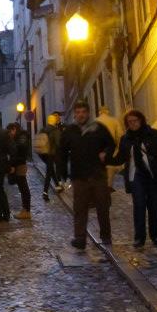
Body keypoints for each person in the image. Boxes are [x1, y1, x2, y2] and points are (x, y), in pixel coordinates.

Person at [57, 99, 115, 249]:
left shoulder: (98, 128)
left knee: (103, 206)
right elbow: (62, 152)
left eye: (83, 112)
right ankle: (80, 238)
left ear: (88, 113)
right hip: (79, 176)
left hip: (98, 174)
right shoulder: (69, 131)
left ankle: (106, 236)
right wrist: (62, 173)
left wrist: (105, 153)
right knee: (80, 208)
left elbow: (111, 143)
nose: (80, 115)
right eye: (77, 112)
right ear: (75, 115)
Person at [112, 109, 157, 248]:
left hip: (152, 176)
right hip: (136, 176)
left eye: (135, 121)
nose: (132, 124)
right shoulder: (125, 139)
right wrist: (107, 158)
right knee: (139, 206)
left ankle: (155, 235)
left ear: (141, 120)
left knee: (154, 206)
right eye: (129, 122)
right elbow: (121, 158)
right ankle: (139, 238)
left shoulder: (153, 134)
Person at [34, 112, 62, 201]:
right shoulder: (55, 130)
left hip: (42, 153)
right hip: (50, 153)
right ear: (54, 121)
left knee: (50, 169)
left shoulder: (43, 129)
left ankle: (58, 186)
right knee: (49, 172)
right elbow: (58, 143)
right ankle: (45, 193)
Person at [6, 121, 31, 218]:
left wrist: (13, 145)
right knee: (22, 187)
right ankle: (25, 210)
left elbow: (20, 150)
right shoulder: (18, 137)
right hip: (18, 163)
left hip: (20, 164)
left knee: (23, 187)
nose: (9, 135)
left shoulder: (21, 137)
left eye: (10, 132)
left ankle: (26, 211)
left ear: (14, 129)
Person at [96, 105, 123, 189]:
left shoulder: (94, 122)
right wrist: (119, 149)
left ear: (99, 112)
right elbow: (120, 136)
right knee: (110, 167)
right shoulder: (114, 121)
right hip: (111, 149)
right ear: (107, 111)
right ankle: (108, 186)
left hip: (98, 151)